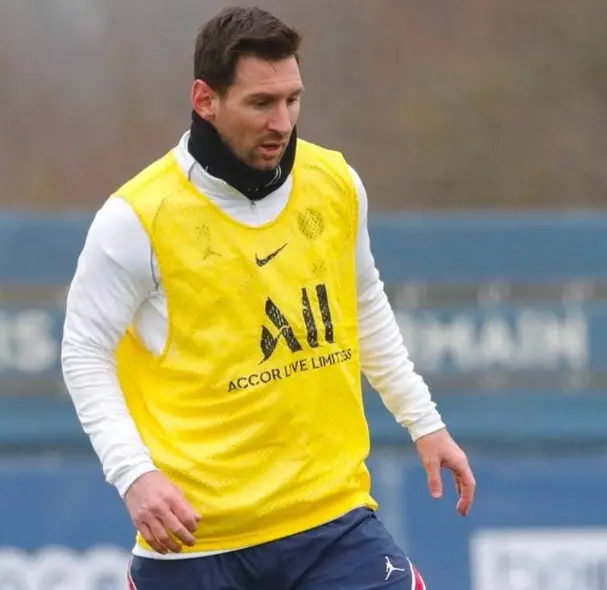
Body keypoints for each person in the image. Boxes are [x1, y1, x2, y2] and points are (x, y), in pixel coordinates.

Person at [60, 6, 475, 589]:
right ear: (206, 100)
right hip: (197, 543)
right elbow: (82, 352)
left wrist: (425, 422)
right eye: (261, 104)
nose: (282, 121)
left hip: (332, 520)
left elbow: (364, 305)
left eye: (292, 100)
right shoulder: (136, 219)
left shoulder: (334, 183)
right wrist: (134, 475)